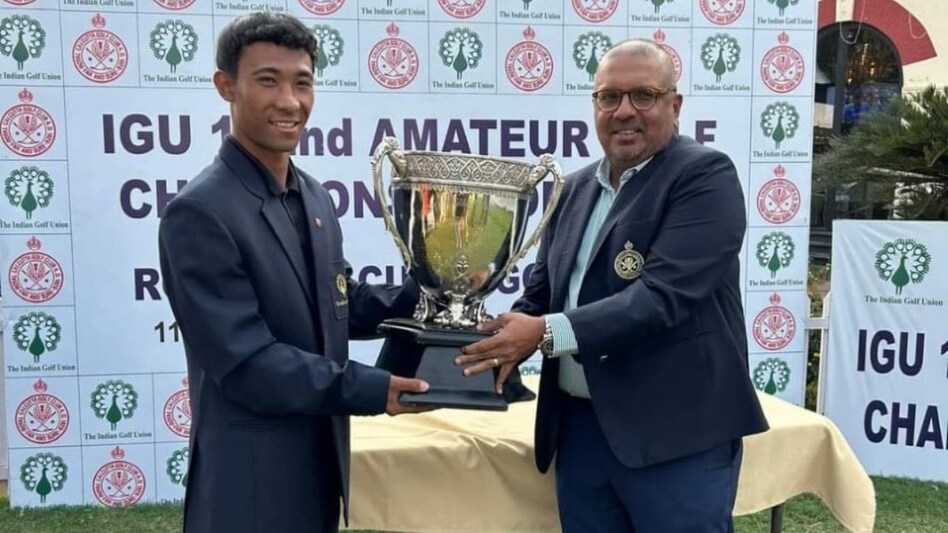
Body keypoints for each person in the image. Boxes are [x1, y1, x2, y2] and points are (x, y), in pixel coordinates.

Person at [456, 39, 769, 533]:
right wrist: (494, 330)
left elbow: (661, 298)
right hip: (581, 433)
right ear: (594, 105)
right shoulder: (574, 188)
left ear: (675, 104)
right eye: (609, 97)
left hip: (676, 437)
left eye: (643, 95)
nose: (624, 111)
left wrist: (539, 333)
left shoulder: (704, 176)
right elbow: (543, 292)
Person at [158, 13, 430, 533]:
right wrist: (372, 389)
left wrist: (436, 293)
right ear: (226, 87)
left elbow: (339, 302)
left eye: (302, 82)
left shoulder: (314, 195)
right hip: (249, 489)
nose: (289, 101)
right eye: (268, 80)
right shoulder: (199, 213)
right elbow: (247, 364)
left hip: (321, 472)